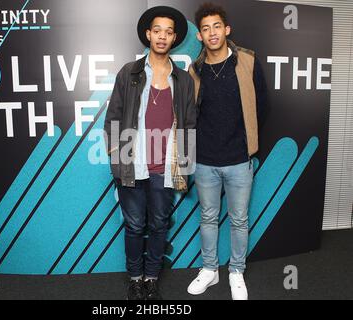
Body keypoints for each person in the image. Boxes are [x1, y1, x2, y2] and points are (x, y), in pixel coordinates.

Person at [104, 6, 197, 300]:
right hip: (133, 165)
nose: (162, 36)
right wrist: (117, 157)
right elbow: (113, 118)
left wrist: (184, 163)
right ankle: (135, 278)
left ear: (174, 39)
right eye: (157, 30)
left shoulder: (183, 80)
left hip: (165, 168)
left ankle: (151, 277)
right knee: (134, 226)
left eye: (168, 32)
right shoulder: (128, 73)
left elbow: (189, 124)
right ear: (148, 34)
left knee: (158, 225)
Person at [187, 3, 268, 300]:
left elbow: (262, 106)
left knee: (239, 219)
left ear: (226, 29)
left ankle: (236, 271)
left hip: (239, 160)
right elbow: (188, 115)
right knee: (208, 217)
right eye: (206, 28)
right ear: (199, 35)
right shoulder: (194, 70)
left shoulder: (246, 61)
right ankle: (210, 269)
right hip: (205, 161)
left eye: (217, 26)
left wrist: (249, 144)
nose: (212, 33)